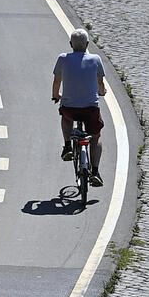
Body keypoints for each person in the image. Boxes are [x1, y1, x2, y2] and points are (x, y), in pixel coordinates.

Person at [52, 28, 106, 187]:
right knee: (96, 135)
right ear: (88, 44)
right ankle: (95, 171)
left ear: (70, 44)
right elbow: (100, 84)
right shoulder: (96, 59)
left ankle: (68, 146)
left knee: (66, 118)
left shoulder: (63, 59)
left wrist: (56, 95)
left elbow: (57, 82)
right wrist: (102, 92)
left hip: (70, 107)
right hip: (90, 109)